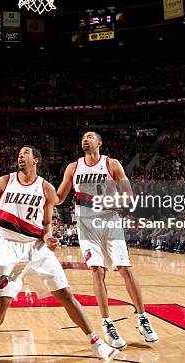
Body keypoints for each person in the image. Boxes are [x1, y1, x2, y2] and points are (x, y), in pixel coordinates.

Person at [0, 146, 120, 363]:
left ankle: (96, 343)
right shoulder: (5, 181)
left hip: (37, 247)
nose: (20, 156)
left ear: (36, 160)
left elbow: (47, 224)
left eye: (25, 153)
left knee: (66, 294)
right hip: (10, 247)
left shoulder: (46, 189)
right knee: (3, 299)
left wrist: (48, 238)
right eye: (19, 154)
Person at [56, 132, 159, 349]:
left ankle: (142, 318)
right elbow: (58, 198)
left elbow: (128, 195)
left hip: (110, 220)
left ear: (99, 143)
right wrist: (40, 193)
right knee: (97, 270)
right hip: (86, 225)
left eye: (90, 136)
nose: (85, 139)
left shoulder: (111, 164)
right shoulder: (73, 168)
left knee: (125, 269)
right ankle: (107, 323)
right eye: (83, 136)